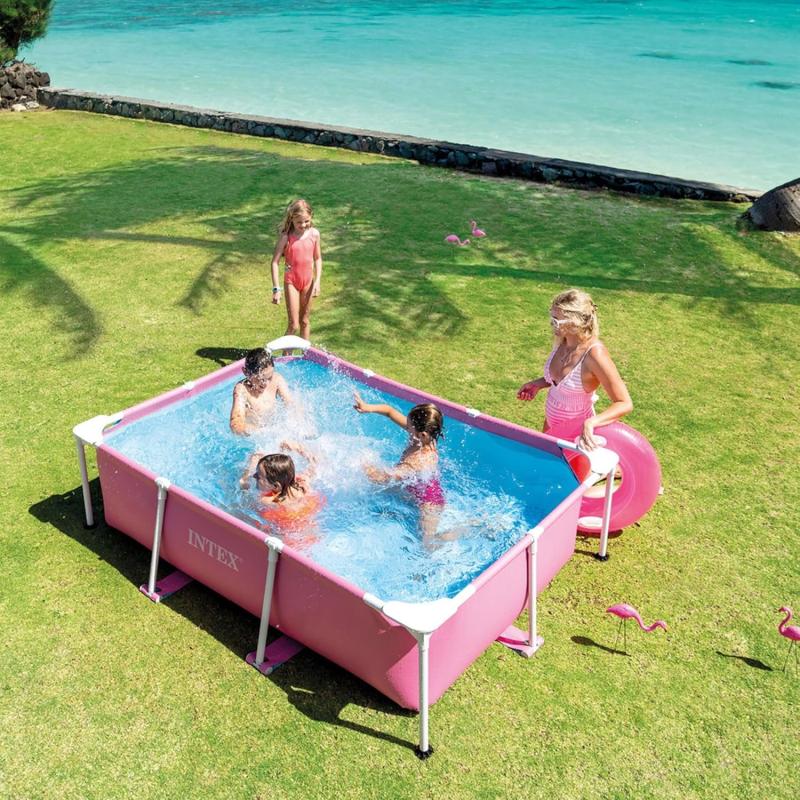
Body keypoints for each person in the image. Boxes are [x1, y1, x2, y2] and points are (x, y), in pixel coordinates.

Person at [517, 288, 632, 450]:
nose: (552, 324)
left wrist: (591, 423)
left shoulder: (594, 354)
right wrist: (539, 383)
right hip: (551, 427)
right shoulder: (563, 341)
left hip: (577, 438)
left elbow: (624, 403)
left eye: (556, 321)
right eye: (551, 317)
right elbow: (562, 382)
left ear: (575, 322)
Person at [353, 391, 455, 547]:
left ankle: (473, 527)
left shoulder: (419, 460)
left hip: (429, 503)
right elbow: (389, 411)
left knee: (427, 545)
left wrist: (364, 465)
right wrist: (368, 407)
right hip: (412, 490)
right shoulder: (422, 437)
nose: (407, 428)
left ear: (422, 434)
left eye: (409, 427)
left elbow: (383, 478)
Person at [240, 440, 324, 546]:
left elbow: (243, 490)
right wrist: (300, 449)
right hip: (313, 534)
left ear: (276, 486)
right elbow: (314, 462)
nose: (254, 476)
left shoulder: (267, 501)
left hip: (289, 542)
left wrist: (247, 472)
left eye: (258, 476)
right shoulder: (301, 486)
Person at [270, 198, 322, 342]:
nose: (303, 225)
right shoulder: (286, 237)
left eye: (306, 221)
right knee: (294, 324)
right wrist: (276, 289)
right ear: (291, 218)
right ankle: (283, 354)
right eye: (299, 222)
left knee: (305, 321)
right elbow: (274, 262)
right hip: (292, 282)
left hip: (308, 283)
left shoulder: (315, 234)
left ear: (311, 217)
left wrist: (317, 282)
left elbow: (318, 259)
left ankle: (305, 354)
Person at [229, 348, 293, 435]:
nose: (266, 383)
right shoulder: (242, 390)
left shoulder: (276, 379)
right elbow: (236, 425)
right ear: (246, 373)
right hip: (257, 434)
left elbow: (291, 405)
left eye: (269, 378)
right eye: (261, 379)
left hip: (275, 429)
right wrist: (264, 432)